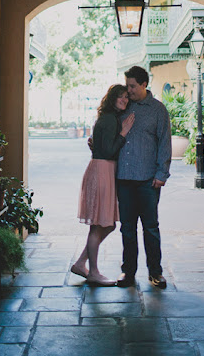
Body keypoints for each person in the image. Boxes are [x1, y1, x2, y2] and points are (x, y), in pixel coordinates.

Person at [72, 84, 135, 286]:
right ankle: (94, 272)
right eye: (120, 97)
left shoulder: (108, 118)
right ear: (111, 99)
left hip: (103, 171)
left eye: (126, 97)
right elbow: (108, 151)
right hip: (102, 171)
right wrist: (124, 132)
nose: (124, 100)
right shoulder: (109, 119)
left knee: (107, 224)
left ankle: (82, 263)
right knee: (99, 225)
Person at [116, 66, 171, 289]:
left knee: (150, 228)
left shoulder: (158, 110)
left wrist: (161, 174)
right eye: (127, 86)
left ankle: (155, 273)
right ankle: (128, 273)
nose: (128, 91)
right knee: (127, 229)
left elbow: (164, 144)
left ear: (144, 84)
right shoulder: (122, 107)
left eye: (132, 86)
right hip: (124, 179)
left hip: (148, 181)